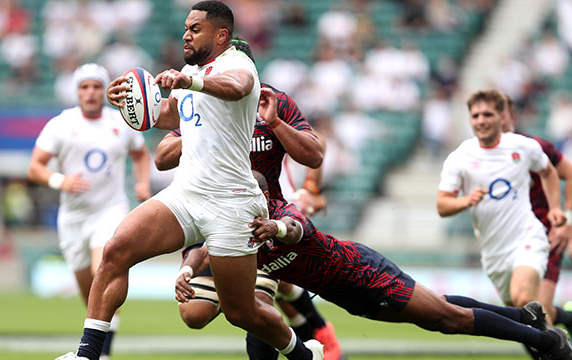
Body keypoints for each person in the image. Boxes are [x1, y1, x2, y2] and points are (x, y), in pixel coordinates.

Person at [56, 2, 323, 360]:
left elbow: (237, 86)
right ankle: (87, 355)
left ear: (221, 34)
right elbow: (166, 113)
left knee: (240, 311)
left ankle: (305, 356)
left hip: (232, 201)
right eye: (186, 27)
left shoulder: (237, 63)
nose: (186, 34)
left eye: (195, 28)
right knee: (116, 250)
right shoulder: (190, 71)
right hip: (187, 193)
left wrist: (190, 80)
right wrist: (127, 103)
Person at [176, 170, 572, 360]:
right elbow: (203, 249)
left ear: (259, 195)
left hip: (364, 272)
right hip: (348, 294)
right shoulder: (230, 229)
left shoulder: (279, 212)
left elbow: (297, 229)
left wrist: (275, 226)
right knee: (436, 308)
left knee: (446, 318)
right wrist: (186, 271)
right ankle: (524, 315)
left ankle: (548, 342)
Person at [155, 37, 341, 360]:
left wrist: (309, 191)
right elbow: (160, 157)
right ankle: (306, 331)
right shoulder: (200, 100)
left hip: (261, 218)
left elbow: (315, 151)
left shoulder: (272, 102)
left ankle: (315, 333)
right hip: (211, 211)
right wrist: (199, 134)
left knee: (258, 304)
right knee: (194, 314)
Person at [27, 63, 152, 360]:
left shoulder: (121, 122)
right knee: (90, 291)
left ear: (104, 90)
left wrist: (143, 182)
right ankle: (99, 342)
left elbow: (141, 154)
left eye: (96, 86)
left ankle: (102, 353)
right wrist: (61, 180)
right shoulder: (61, 124)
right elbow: (34, 167)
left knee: (104, 270)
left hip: (110, 209)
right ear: (77, 92)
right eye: (85, 87)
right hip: (73, 218)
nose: (91, 92)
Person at [437, 89, 566, 311]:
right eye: (475, 116)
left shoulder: (523, 146)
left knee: (523, 297)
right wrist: (466, 201)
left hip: (528, 236)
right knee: (520, 316)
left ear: (501, 117)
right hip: (494, 251)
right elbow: (442, 205)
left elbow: (549, 172)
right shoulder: (460, 157)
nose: (481, 121)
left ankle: (553, 338)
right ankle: (556, 338)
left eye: (488, 115)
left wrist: (556, 208)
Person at [502, 95, 572, 334]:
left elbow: (569, 173)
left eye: (499, 114)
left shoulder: (535, 147)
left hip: (544, 233)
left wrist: (567, 221)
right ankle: (565, 317)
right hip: (507, 241)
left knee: (533, 308)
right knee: (525, 312)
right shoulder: (475, 156)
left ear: (511, 117)